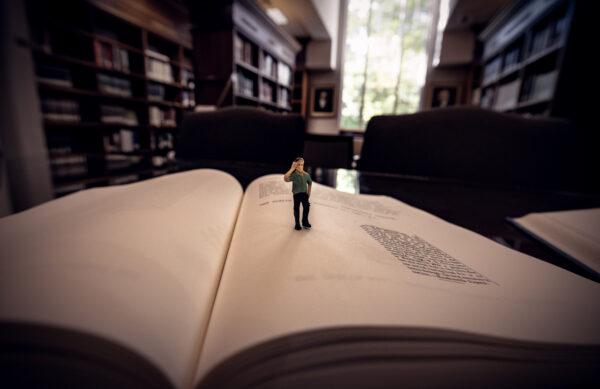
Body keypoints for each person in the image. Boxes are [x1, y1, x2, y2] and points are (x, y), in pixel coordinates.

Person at [283, 157, 312, 230]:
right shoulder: (294, 175)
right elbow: (285, 178)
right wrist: (292, 169)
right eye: (299, 165)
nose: (301, 166)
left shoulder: (306, 175)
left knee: (307, 207)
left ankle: (305, 221)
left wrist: (308, 193)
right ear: (295, 165)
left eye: (302, 165)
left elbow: (310, 183)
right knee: (296, 208)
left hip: (304, 194)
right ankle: (297, 223)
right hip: (296, 194)